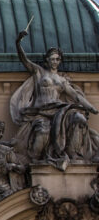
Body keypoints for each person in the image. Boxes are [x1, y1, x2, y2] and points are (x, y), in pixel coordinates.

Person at [11, 29, 99, 168]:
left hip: (59, 110)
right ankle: (36, 161)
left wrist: (90, 107)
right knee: (43, 132)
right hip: (42, 111)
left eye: (57, 59)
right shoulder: (39, 72)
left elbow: (75, 96)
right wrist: (18, 42)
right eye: (52, 58)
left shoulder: (62, 80)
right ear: (47, 60)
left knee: (79, 119)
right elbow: (24, 59)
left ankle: (74, 155)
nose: (55, 61)